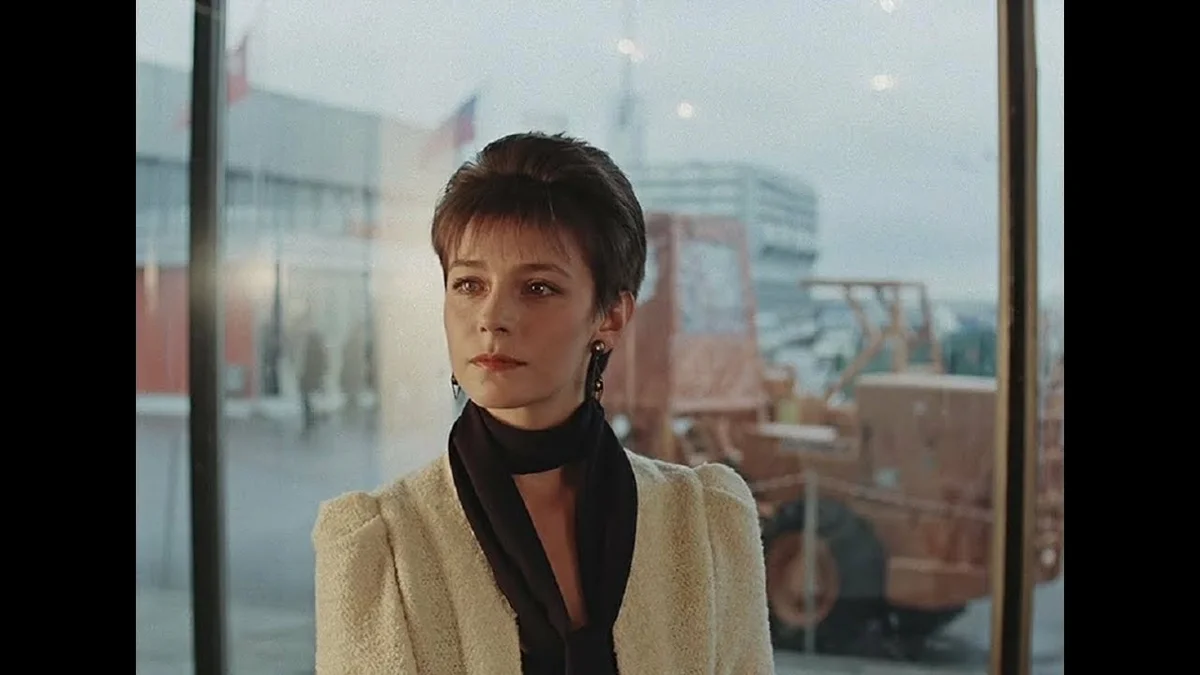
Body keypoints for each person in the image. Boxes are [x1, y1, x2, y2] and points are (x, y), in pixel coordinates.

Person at [312, 132, 774, 674]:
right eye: (469, 284)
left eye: (537, 288)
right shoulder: (382, 547)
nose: (491, 318)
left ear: (611, 316)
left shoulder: (704, 526)